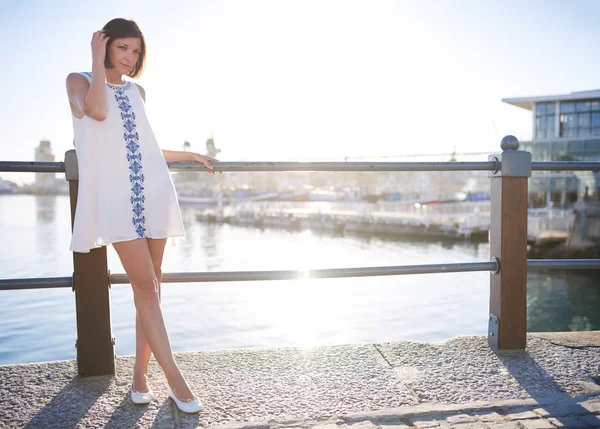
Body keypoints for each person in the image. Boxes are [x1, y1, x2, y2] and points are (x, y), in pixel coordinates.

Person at [65, 18, 219, 413]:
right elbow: (97, 112)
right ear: (104, 46)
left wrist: (192, 156)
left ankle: (139, 378)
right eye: (122, 49)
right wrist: (98, 63)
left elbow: (147, 146)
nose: (130, 59)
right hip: (115, 199)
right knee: (147, 287)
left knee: (151, 287)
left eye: (135, 51)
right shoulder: (79, 81)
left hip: (151, 191)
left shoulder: (139, 92)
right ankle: (176, 381)